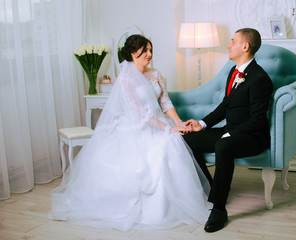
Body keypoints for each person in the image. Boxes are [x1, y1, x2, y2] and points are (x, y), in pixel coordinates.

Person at [49, 35, 211, 231]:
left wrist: (178, 123)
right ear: (134, 53)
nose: (150, 55)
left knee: (175, 142)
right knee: (160, 149)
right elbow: (140, 114)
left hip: (160, 121)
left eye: (151, 50)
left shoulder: (156, 74)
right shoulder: (126, 79)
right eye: (146, 51)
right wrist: (168, 128)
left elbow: (165, 102)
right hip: (140, 126)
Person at [183, 28, 273, 233]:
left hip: (252, 137)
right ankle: (211, 189)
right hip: (230, 131)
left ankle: (219, 209)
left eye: (232, 41)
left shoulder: (260, 78)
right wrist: (201, 124)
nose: (228, 45)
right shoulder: (234, 72)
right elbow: (225, 106)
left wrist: (230, 134)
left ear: (245, 46)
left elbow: (258, 120)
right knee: (188, 140)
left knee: (224, 144)